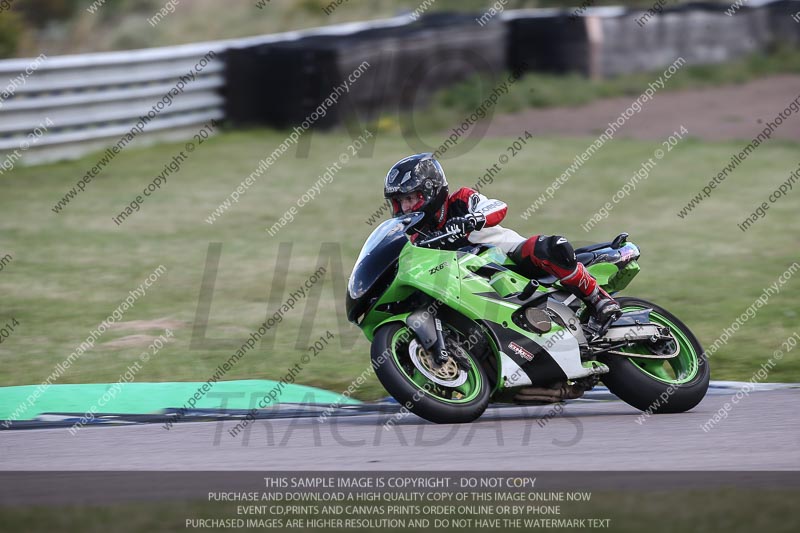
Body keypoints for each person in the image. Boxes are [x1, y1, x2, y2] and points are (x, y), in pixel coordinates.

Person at [383, 152, 621, 330]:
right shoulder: (416, 239)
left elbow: (497, 206)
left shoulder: (461, 200)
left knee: (548, 247)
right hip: (470, 283)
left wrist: (471, 219)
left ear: (431, 190)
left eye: (411, 198)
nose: (405, 207)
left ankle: (597, 298)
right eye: (400, 201)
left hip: (506, 257)